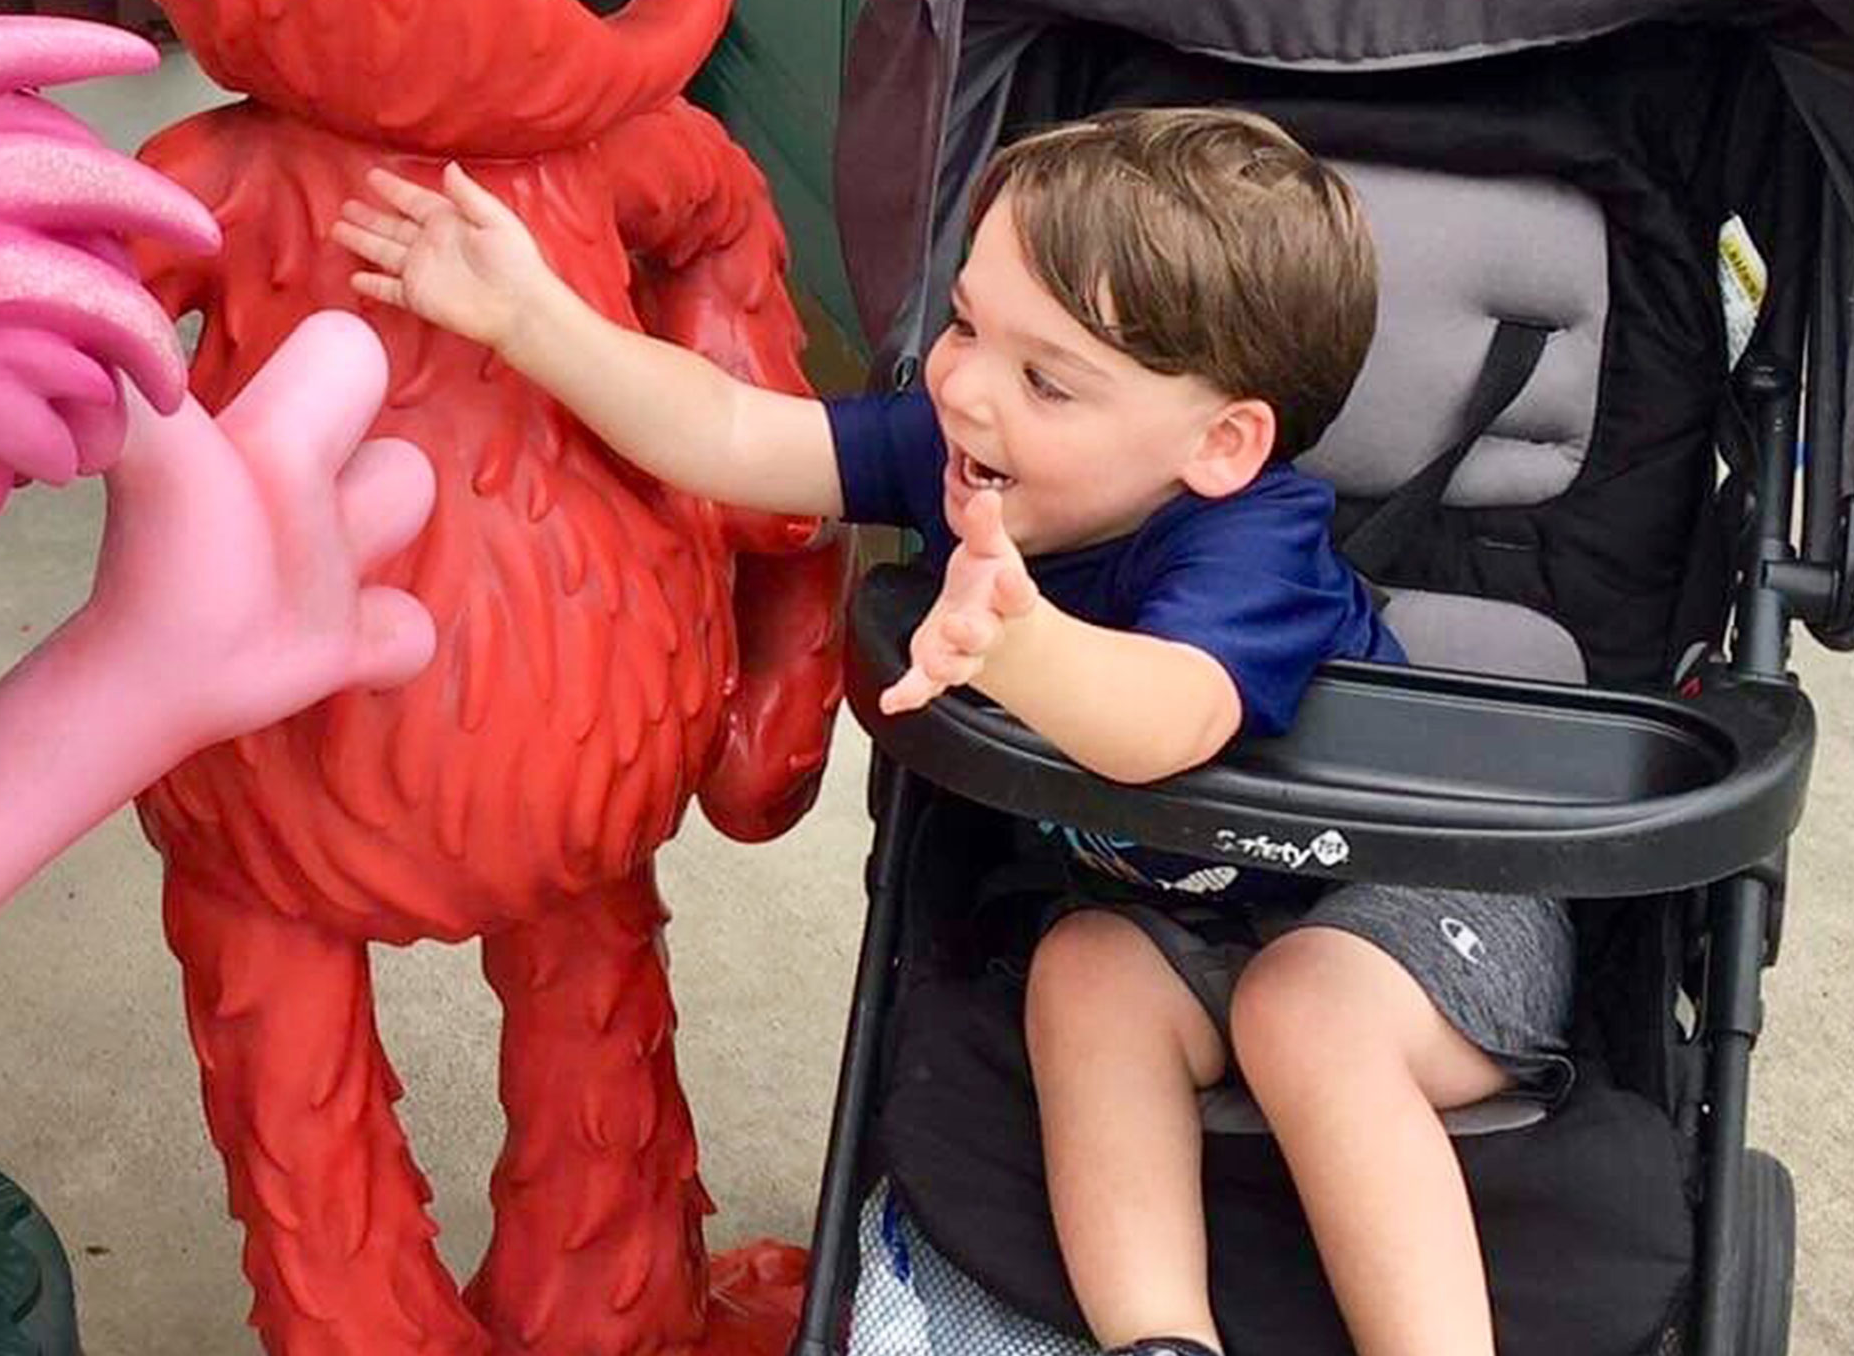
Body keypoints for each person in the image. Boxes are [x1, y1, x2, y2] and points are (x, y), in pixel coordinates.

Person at [334, 106, 1570, 1356]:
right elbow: (732, 431)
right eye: (969, 322)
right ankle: (1159, 1338)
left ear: (1221, 443)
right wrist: (531, 319)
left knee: (1304, 1013)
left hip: (1420, 901)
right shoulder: (962, 449)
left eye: (1046, 379)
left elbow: (1168, 715)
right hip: (1193, 926)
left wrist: (1022, 647)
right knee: (1083, 972)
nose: (965, 384)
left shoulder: (1254, 543)